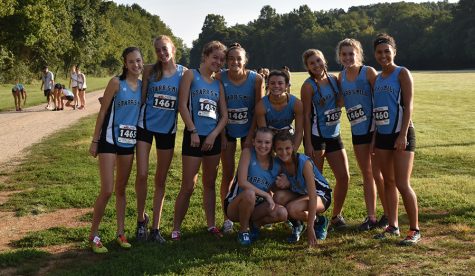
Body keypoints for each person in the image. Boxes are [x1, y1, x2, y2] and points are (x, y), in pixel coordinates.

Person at [88, 47, 143, 254]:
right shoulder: (115, 83)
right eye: (131, 62)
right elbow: (103, 112)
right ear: (125, 64)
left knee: (121, 190)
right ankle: (93, 235)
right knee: (108, 189)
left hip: (128, 143)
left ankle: (121, 233)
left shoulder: (142, 85)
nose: (135, 65)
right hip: (109, 140)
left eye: (138, 61)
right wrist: (95, 141)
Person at [171, 41, 228, 240]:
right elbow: (182, 106)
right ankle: (176, 228)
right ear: (205, 56)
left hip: (212, 140)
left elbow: (224, 116)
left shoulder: (218, 83)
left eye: (222, 60)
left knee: (210, 184)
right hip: (193, 137)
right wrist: (193, 130)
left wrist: (213, 136)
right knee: (188, 185)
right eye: (215, 58)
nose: (218, 62)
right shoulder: (191, 75)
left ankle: (211, 225)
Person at [134, 35, 186, 243]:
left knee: (160, 179)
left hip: (167, 130)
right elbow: (139, 94)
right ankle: (140, 221)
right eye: (157, 50)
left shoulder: (184, 73)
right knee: (142, 174)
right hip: (145, 126)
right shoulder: (149, 70)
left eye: (165, 49)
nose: (162, 54)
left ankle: (155, 228)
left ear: (173, 49)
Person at [371, 33, 420, 245]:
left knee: (402, 183)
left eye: (387, 51)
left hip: (402, 134)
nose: (383, 55)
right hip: (382, 136)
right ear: (375, 54)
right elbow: (377, 110)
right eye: (380, 52)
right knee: (388, 182)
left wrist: (402, 134)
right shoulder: (378, 78)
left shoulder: (402, 73)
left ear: (394, 52)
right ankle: (393, 226)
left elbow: (408, 105)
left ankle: (415, 229)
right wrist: (374, 138)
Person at [336, 38, 388, 230]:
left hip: (374, 129)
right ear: (339, 57)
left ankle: (388, 215)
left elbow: (380, 96)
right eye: (344, 54)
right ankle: (371, 217)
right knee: (366, 174)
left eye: (351, 53)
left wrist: (378, 129)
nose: (348, 57)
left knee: (378, 173)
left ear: (358, 54)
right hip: (357, 131)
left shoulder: (367, 72)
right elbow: (340, 101)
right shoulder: (340, 77)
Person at [215, 42, 265, 233]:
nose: (234, 62)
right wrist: (222, 135)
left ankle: (253, 213)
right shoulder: (219, 77)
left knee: (252, 175)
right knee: (228, 174)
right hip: (226, 130)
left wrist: (252, 135)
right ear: (226, 61)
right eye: (231, 58)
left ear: (245, 61)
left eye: (238, 58)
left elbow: (258, 110)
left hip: (248, 131)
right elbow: (219, 109)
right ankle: (227, 218)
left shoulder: (256, 79)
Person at [300, 49, 350, 230]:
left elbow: (342, 101)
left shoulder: (335, 79)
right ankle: (315, 219)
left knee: (344, 177)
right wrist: (307, 143)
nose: (316, 65)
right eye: (312, 63)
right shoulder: (308, 86)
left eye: (318, 61)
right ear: (307, 67)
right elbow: (305, 116)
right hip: (316, 137)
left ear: (324, 61)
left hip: (334, 135)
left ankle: (336, 215)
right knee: (315, 183)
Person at [224, 127, 287, 245]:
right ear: (253, 141)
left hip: (257, 207)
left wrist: (284, 182)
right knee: (249, 193)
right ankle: (243, 231)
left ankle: (254, 225)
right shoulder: (247, 153)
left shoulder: (277, 164)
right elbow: (242, 182)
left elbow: (275, 187)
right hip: (235, 206)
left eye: (267, 142)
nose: (263, 145)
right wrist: (267, 196)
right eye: (259, 141)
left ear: (272, 144)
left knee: (282, 213)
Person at [273, 131, 332, 246]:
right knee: (278, 197)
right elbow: (274, 186)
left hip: (320, 195)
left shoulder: (304, 163)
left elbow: (313, 195)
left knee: (292, 208)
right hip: (301, 193)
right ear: (275, 150)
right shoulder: (278, 162)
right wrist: (284, 183)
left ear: (294, 147)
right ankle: (298, 224)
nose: (284, 152)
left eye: (287, 148)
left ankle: (319, 222)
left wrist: (311, 228)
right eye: (279, 149)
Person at [255, 70, 304, 150]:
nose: (276, 86)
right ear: (268, 85)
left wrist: (293, 151)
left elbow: (299, 132)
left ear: (287, 85)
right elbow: (264, 133)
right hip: (269, 135)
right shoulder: (261, 105)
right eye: (272, 83)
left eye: (280, 83)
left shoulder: (296, 103)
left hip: (287, 134)